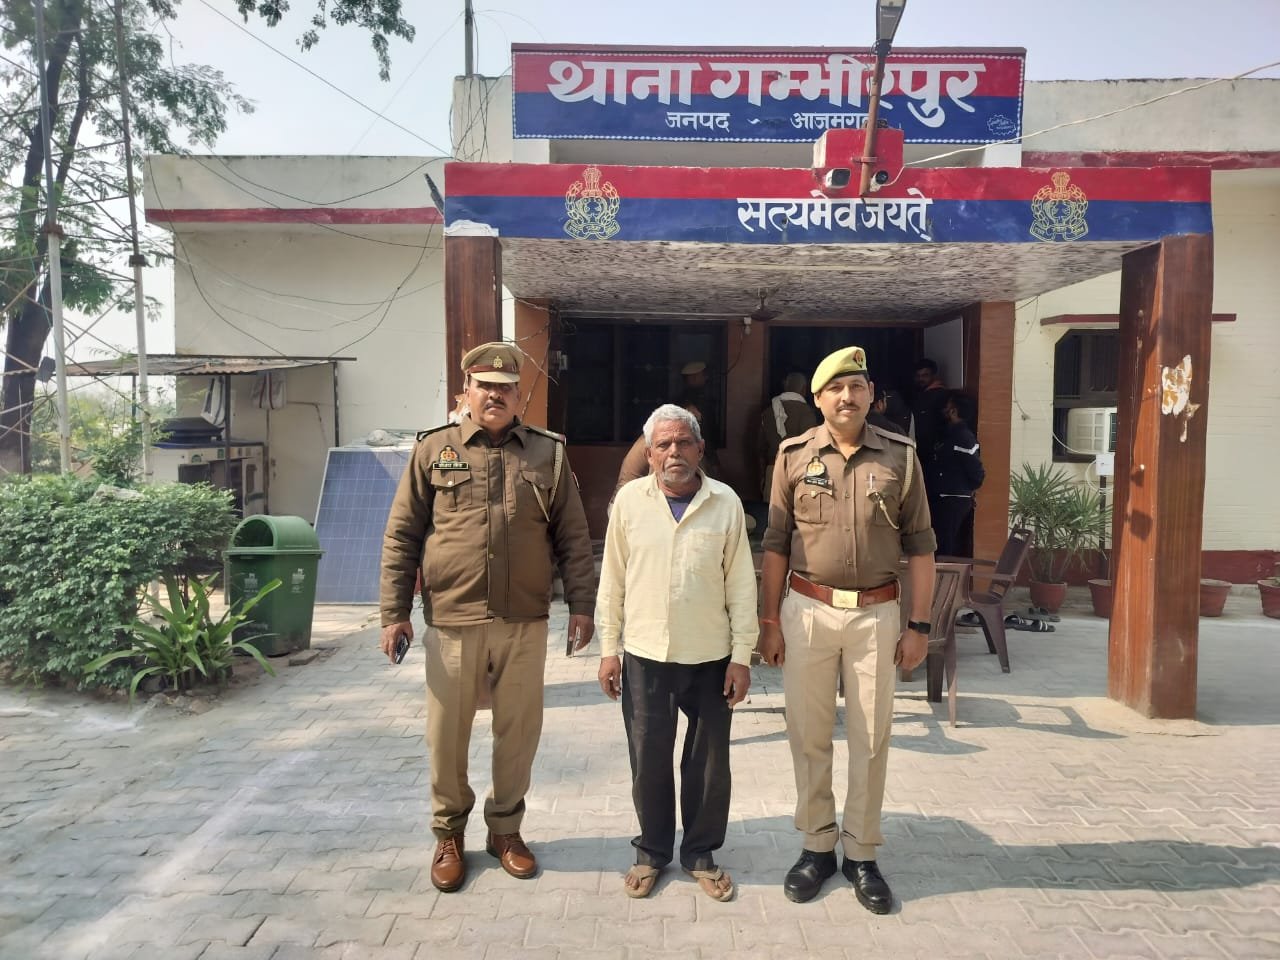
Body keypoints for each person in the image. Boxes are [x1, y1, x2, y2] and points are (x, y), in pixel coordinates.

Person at [379, 341, 597, 894]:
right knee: (446, 734)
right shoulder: (434, 449)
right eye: (485, 386)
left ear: (518, 395)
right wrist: (394, 612)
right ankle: (448, 834)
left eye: (505, 388)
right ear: (467, 392)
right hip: (454, 617)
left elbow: (573, 536)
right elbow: (402, 535)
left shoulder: (547, 453)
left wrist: (582, 605)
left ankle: (505, 829)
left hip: (524, 618)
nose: (495, 396)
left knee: (518, 732)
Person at [758, 345, 936, 913]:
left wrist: (919, 626)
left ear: (871, 395)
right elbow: (775, 544)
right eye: (835, 388)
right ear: (817, 398)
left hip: (876, 616)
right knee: (808, 733)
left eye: (857, 386)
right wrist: (769, 622)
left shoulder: (901, 457)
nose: (847, 396)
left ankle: (861, 852)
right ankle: (816, 845)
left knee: (871, 736)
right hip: (807, 611)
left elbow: (922, 548)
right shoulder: (792, 456)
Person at [596, 404, 756, 902]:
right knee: (648, 758)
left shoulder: (725, 503)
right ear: (649, 455)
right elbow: (612, 580)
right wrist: (608, 649)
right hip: (645, 654)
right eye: (663, 445)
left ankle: (700, 852)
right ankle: (651, 852)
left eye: (684, 443)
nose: (674, 452)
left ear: (700, 450)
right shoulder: (629, 504)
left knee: (709, 763)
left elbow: (742, 585)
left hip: (711, 654)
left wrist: (742, 655)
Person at [928, 391, 985, 557]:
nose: (944, 410)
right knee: (940, 542)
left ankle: (944, 573)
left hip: (953, 499)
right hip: (945, 497)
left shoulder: (963, 438)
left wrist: (964, 488)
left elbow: (977, 473)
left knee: (945, 544)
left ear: (954, 411)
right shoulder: (948, 434)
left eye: (948, 407)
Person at [759, 372, 818, 498]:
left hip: (772, 470)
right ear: (804, 389)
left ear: (785, 386)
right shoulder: (807, 412)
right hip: (799, 472)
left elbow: (760, 448)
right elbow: (812, 448)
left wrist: (763, 476)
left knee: (772, 509)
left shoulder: (768, 412)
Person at [910, 358, 948, 470]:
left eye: (925, 375)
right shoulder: (919, 393)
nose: (921, 379)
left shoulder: (941, 394)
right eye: (918, 376)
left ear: (934, 375)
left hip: (933, 448)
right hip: (920, 445)